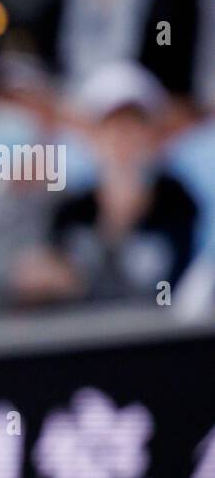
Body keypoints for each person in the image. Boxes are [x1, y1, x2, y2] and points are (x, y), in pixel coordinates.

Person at [39, 61, 198, 304]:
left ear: (153, 134)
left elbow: (180, 291)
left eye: (134, 125)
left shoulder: (179, 202)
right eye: (111, 126)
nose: (122, 138)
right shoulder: (71, 209)